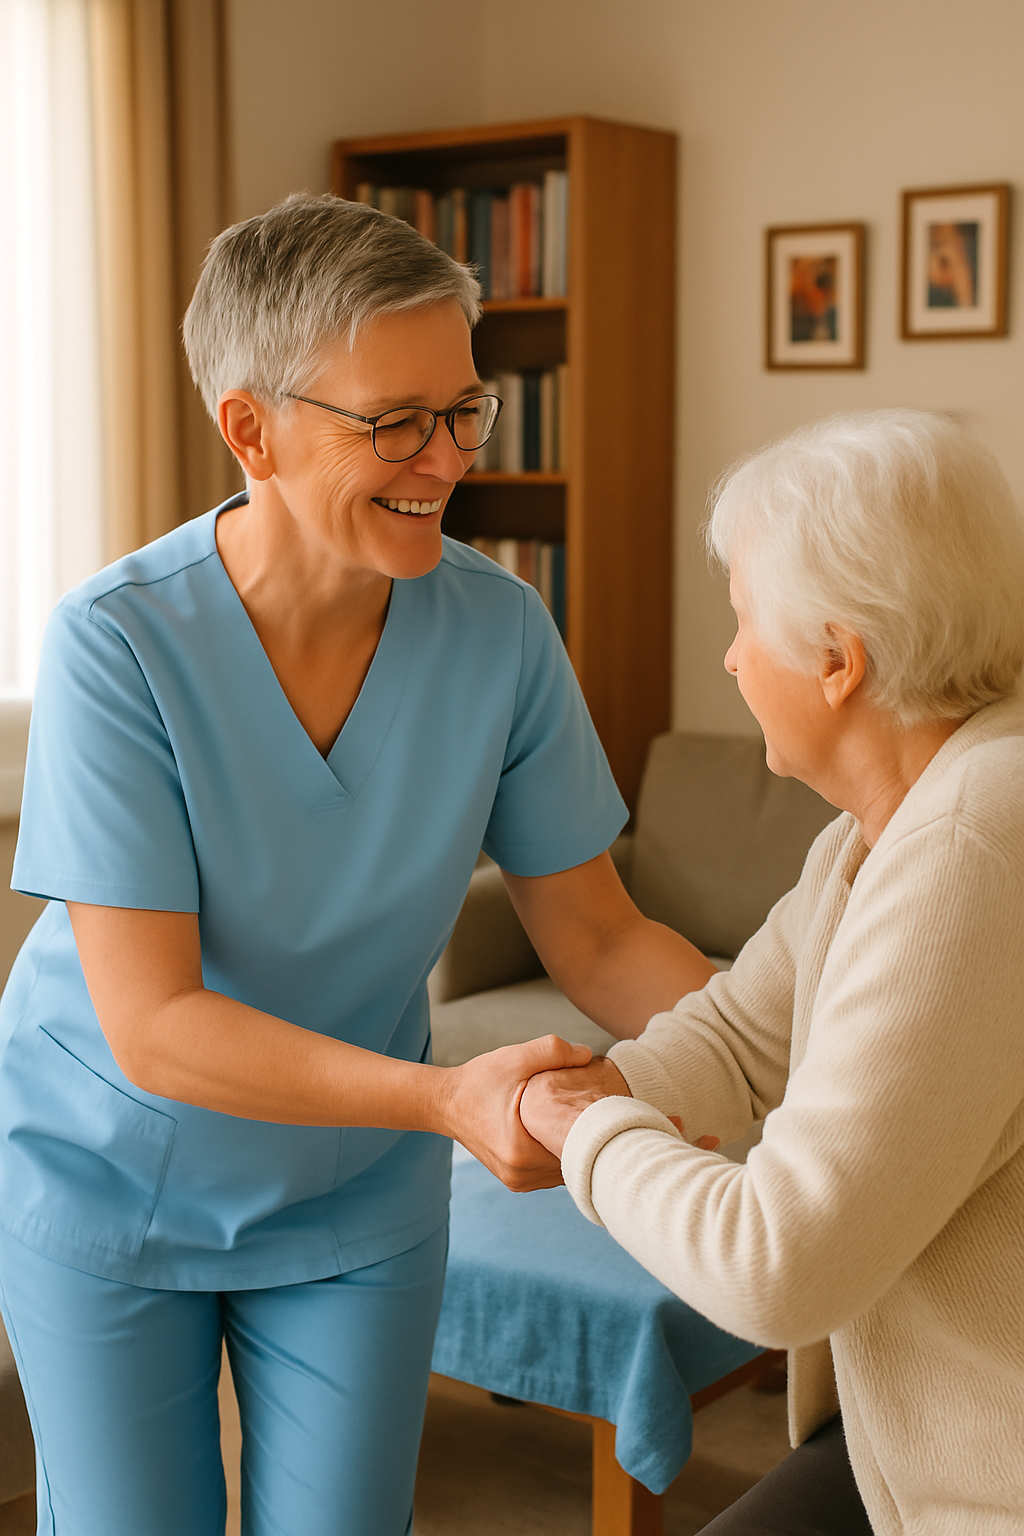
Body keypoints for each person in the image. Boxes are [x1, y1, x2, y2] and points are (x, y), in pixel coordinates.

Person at [0, 192, 714, 1536]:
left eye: (463, 412)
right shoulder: (118, 643)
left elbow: (602, 939)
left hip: (351, 1193)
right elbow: (152, 1025)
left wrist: (788, 1074)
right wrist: (449, 1099)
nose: (444, 460)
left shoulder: (500, 632)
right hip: (111, 1172)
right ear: (250, 430)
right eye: (395, 421)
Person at [520, 409, 1024, 1535]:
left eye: (745, 619)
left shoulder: (971, 843)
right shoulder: (879, 828)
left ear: (838, 660)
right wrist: (605, 1087)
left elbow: (776, 1263)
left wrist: (583, 1138)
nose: (733, 656)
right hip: (907, 1437)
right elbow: (742, 1033)